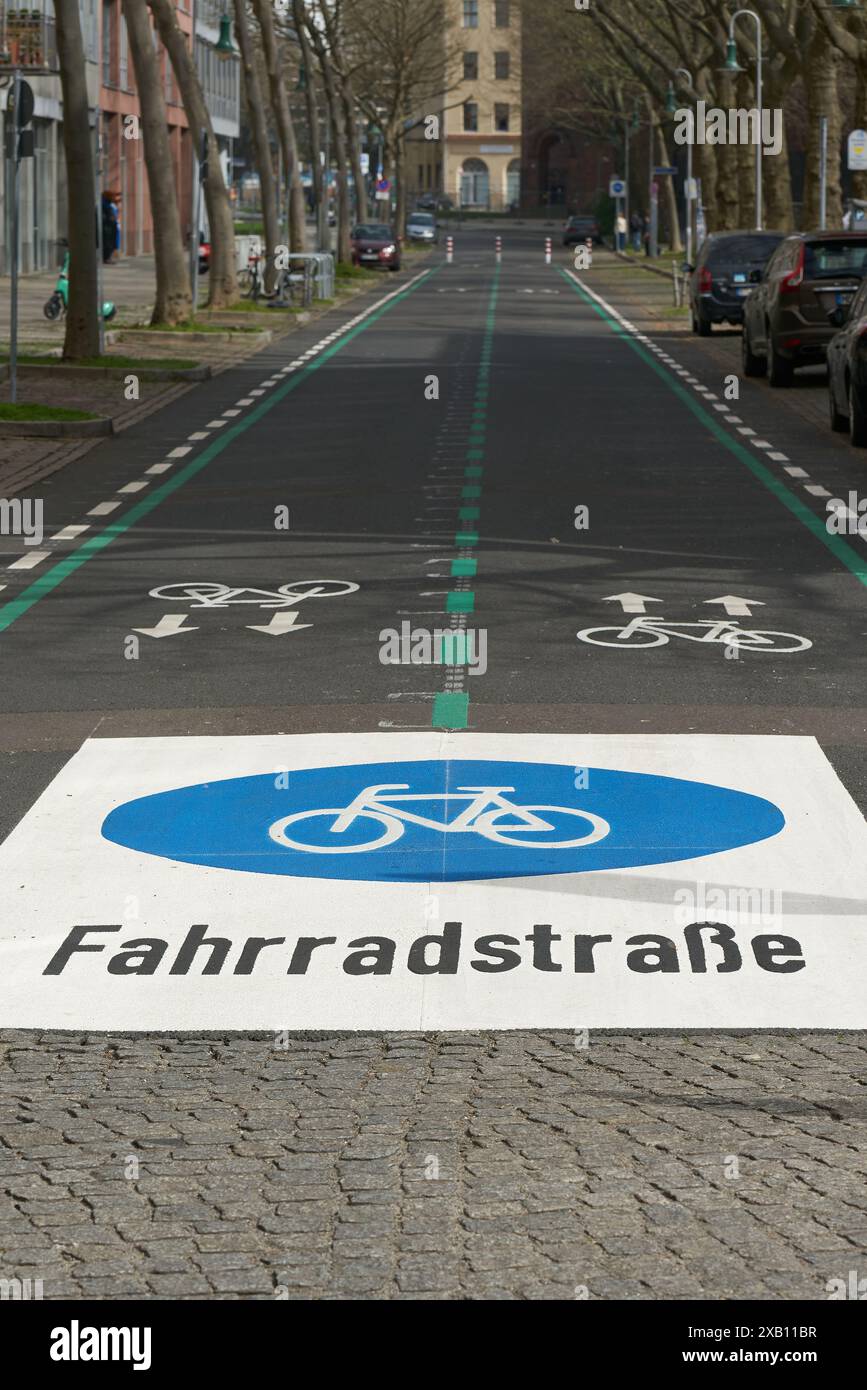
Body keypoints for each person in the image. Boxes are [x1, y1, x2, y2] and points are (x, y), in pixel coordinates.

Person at [101, 191, 117, 264]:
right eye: (112, 196)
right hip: (107, 227)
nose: (113, 198)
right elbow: (105, 217)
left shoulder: (108, 204)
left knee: (110, 243)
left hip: (110, 226)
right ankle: (106, 258)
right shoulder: (104, 204)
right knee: (107, 243)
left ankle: (107, 257)